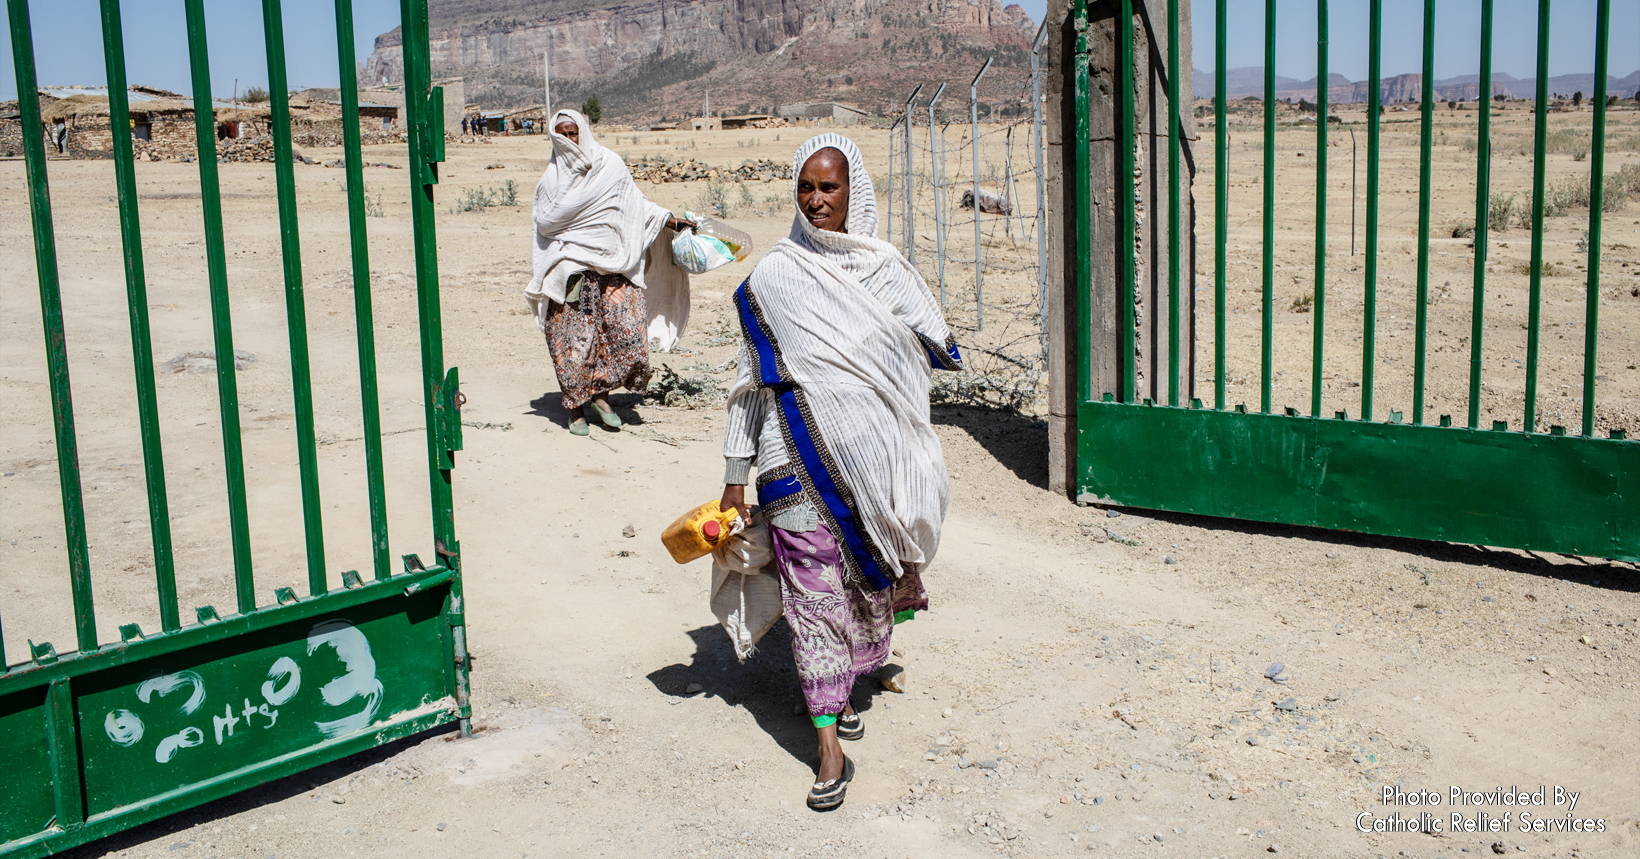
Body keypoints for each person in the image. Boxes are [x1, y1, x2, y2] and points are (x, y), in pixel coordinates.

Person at [719, 134, 962, 810]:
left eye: (830, 187)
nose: (817, 200)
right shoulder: (774, 275)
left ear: (855, 192)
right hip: (789, 458)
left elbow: (931, 346)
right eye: (806, 187)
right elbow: (750, 380)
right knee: (813, 600)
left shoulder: (885, 269)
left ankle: (850, 682)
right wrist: (735, 473)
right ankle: (828, 745)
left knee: (859, 588)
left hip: (873, 467)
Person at [525, 109, 695, 435]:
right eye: (561, 134)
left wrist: (671, 221)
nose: (569, 140)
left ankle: (600, 393)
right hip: (570, 265)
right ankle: (575, 405)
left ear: (584, 132)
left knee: (627, 331)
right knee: (573, 341)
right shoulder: (551, 180)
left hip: (614, 260)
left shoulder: (609, 165)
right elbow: (545, 223)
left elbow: (636, 203)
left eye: (573, 133)